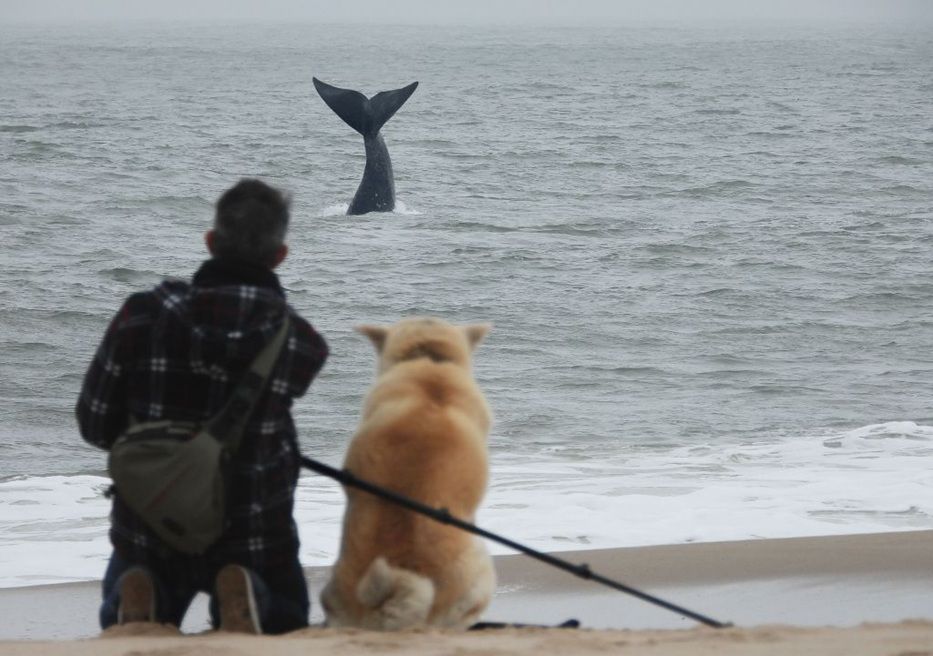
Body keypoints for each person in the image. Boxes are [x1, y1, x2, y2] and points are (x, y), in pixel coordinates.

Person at [76, 179, 329, 634]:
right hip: (253, 530)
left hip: (150, 523)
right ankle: (250, 591)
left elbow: (93, 423)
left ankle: (138, 597)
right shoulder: (300, 342)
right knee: (287, 618)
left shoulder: (140, 314)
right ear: (280, 256)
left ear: (210, 242)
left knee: (137, 568)